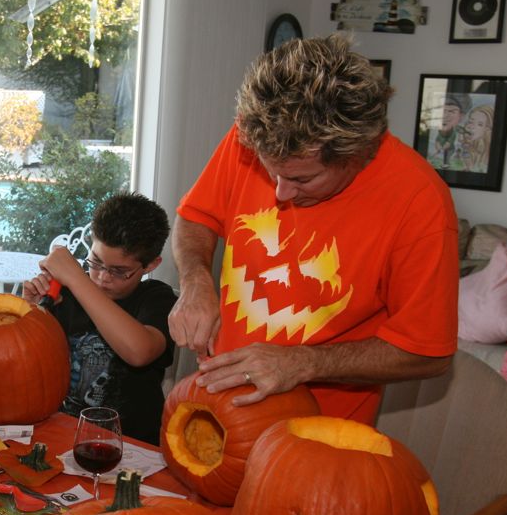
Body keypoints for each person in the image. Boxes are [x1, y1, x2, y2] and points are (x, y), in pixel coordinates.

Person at [169, 34, 458, 425]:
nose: (280, 191)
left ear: (358, 155)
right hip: (216, 409)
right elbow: (197, 216)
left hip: (315, 442)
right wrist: (195, 280)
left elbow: (428, 351)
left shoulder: (419, 202)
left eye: (301, 179)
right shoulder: (256, 136)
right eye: (270, 172)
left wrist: (304, 363)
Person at [23, 193, 178, 445]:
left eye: (119, 271)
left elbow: (139, 352)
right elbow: (24, 365)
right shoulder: (65, 293)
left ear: (150, 265)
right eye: (95, 262)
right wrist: (30, 310)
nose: (103, 277)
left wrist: (76, 278)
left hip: (131, 447)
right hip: (64, 434)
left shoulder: (157, 298)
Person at [430, 93, 471, 169]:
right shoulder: (435, 130)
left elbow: (452, 139)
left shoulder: (458, 132)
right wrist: (437, 143)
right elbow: (438, 138)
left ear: (461, 116)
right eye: (443, 110)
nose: (445, 115)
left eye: (451, 111)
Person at [457, 104, 494, 173]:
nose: (471, 126)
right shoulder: (469, 142)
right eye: (470, 122)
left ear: (487, 129)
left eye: (480, 124)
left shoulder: (488, 152)